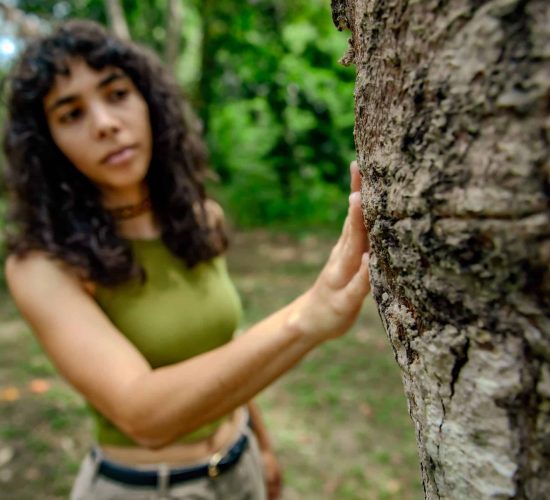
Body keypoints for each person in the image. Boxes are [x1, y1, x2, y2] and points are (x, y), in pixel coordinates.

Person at [2, 19, 370, 500]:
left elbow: (222, 346)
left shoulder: (201, 219)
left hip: (241, 468)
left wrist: (261, 443)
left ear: (148, 102)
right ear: (49, 145)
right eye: (71, 114)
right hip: (146, 488)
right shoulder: (42, 266)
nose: (105, 123)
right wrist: (307, 317)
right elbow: (142, 414)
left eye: (116, 94)